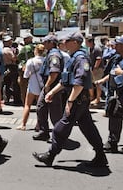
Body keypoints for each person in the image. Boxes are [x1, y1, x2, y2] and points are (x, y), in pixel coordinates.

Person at [33, 32, 108, 167]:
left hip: (78, 98)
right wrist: (51, 92)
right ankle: (101, 156)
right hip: (77, 98)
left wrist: (70, 101)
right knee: (88, 128)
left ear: (75, 42)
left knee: (59, 129)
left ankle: (50, 156)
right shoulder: (73, 57)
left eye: (67, 41)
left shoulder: (81, 58)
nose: (64, 44)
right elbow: (65, 80)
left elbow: (80, 81)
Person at [33, 34, 64, 141]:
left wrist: (47, 86)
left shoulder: (54, 55)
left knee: (55, 112)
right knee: (41, 108)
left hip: (52, 87)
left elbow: (54, 72)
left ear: (51, 43)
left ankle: (58, 134)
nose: (43, 44)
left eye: (46, 42)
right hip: (48, 86)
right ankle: (44, 131)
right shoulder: (50, 53)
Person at [16, 44, 45, 131]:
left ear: (35, 51)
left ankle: (23, 124)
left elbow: (26, 75)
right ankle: (38, 125)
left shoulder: (30, 61)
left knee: (27, 105)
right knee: (39, 106)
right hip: (42, 85)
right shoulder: (46, 60)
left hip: (32, 85)